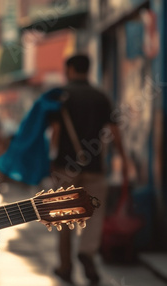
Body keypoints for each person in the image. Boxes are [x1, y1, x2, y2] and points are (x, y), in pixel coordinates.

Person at [49, 54, 128, 285]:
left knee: (64, 216)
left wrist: (52, 159)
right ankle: (87, 250)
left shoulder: (62, 96)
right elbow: (115, 131)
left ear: (70, 69)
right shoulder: (101, 97)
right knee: (94, 214)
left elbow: (55, 131)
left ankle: (65, 267)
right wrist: (123, 160)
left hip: (66, 167)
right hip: (95, 168)